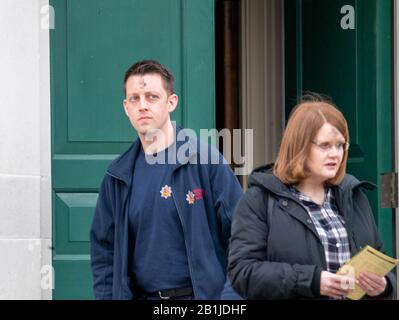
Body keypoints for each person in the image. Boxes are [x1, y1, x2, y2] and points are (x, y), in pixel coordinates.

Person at [90, 59, 243, 300]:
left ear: (171, 102)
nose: (142, 106)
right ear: (125, 107)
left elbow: (243, 235)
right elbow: (104, 253)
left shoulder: (205, 161)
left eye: (152, 97)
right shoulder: (116, 176)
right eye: (134, 98)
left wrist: (229, 298)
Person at [227, 93, 397, 299]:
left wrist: (385, 284)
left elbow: (381, 258)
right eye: (325, 145)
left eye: (341, 145)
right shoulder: (260, 199)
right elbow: (242, 272)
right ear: (299, 146)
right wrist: (313, 281)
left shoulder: (353, 195)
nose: (335, 154)